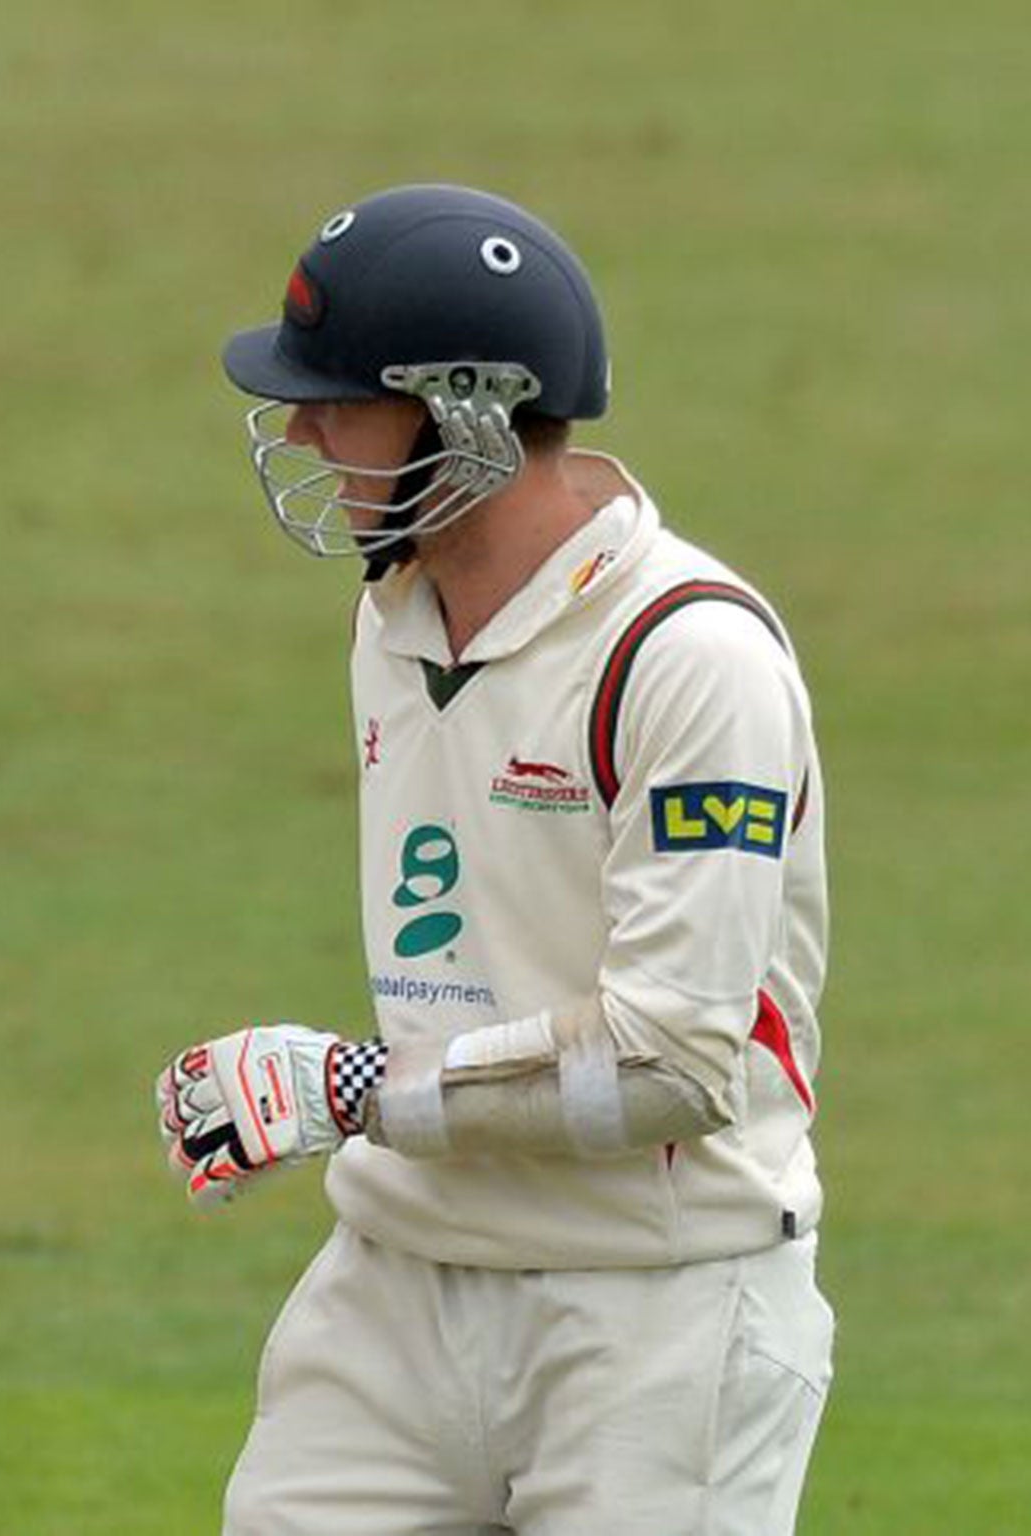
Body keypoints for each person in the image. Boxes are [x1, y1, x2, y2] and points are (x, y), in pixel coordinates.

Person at [155, 185, 834, 1535]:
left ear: (465, 412)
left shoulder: (689, 658)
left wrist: (351, 1089)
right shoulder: (395, 613)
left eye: (338, 401)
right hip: (398, 1291)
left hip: (655, 1317)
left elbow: (675, 1064)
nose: (300, 431)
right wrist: (365, 1100)